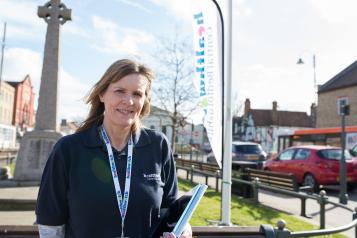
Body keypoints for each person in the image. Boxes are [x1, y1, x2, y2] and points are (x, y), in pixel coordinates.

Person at [36, 59, 192, 238]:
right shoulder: (69, 149)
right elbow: (50, 224)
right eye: (120, 91)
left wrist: (184, 228)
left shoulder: (158, 145)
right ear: (102, 94)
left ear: (145, 101)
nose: (129, 101)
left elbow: (171, 212)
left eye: (137, 94)